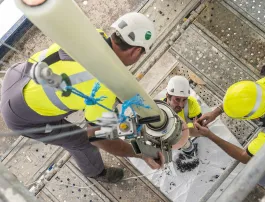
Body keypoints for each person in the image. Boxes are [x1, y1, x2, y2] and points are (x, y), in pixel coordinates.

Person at [0, 12, 164, 183]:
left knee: (103, 113)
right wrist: (139, 152)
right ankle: (96, 173)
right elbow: (99, 138)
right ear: (136, 50)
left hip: (18, 75)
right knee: (82, 141)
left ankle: (103, 117)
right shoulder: (103, 85)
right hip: (21, 116)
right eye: (142, 54)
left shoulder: (95, 34)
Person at [163, 76, 202, 155]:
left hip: (184, 136)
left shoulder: (191, 103)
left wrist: (182, 132)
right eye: (177, 99)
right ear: (167, 96)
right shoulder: (160, 110)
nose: (181, 105)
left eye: (184, 100)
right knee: (186, 146)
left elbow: (201, 131)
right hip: (172, 140)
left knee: (188, 147)